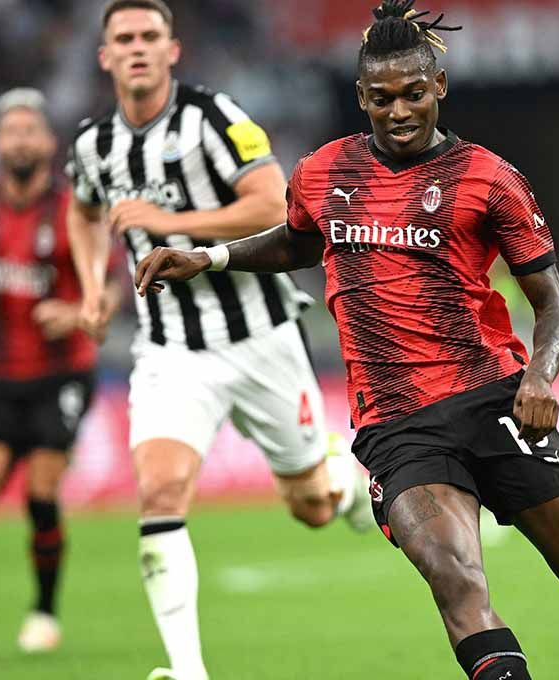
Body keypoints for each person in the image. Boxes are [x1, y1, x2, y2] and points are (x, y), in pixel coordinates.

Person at [133, 3, 559, 678]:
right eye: (381, 99)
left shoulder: (489, 180)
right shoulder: (323, 172)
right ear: (361, 98)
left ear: (441, 89)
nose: (398, 111)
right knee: (457, 582)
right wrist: (212, 258)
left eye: (413, 94)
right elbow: (297, 241)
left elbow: (553, 303)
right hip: (397, 426)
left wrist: (540, 378)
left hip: (494, 402)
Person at [64, 2, 372, 678]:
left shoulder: (215, 117)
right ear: (105, 56)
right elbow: (84, 212)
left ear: (173, 50)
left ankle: (343, 483)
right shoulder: (93, 144)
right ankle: (188, 671)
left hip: (260, 337)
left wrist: (172, 220)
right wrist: (91, 284)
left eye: (151, 36)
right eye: (125, 38)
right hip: (171, 349)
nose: (138, 48)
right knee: (161, 490)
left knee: (312, 509)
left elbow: (275, 205)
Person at [0, 88, 118, 652]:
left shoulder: (73, 208)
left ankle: (43, 611)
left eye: (30, 130)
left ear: (49, 141)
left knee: (41, 490)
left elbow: (108, 283)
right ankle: (23, 446)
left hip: (61, 373)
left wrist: (83, 311)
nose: (20, 139)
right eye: (10, 131)